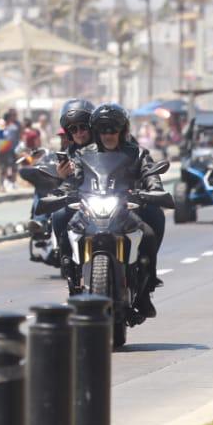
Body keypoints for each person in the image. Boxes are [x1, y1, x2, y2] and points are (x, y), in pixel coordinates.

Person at [72, 102, 168, 318]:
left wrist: (153, 188)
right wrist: (64, 186)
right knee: (66, 228)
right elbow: (73, 179)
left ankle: (145, 289)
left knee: (150, 233)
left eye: (113, 129)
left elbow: (150, 174)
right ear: (96, 132)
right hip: (92, 208)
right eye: (103, 130)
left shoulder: (138, 153)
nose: (108, 135)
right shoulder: (83, 154)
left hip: (126, 209)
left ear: (122, 131)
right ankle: (72, 281)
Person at [42, 98, 95, 266]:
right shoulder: (68, 154)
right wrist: (61, 177)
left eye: (83, 127)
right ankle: (67, 262)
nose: (79, 132)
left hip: (110, 199)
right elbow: (65, 185)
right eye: (74, 129)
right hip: (81, 203)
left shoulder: (107, 148)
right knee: (59, 215)